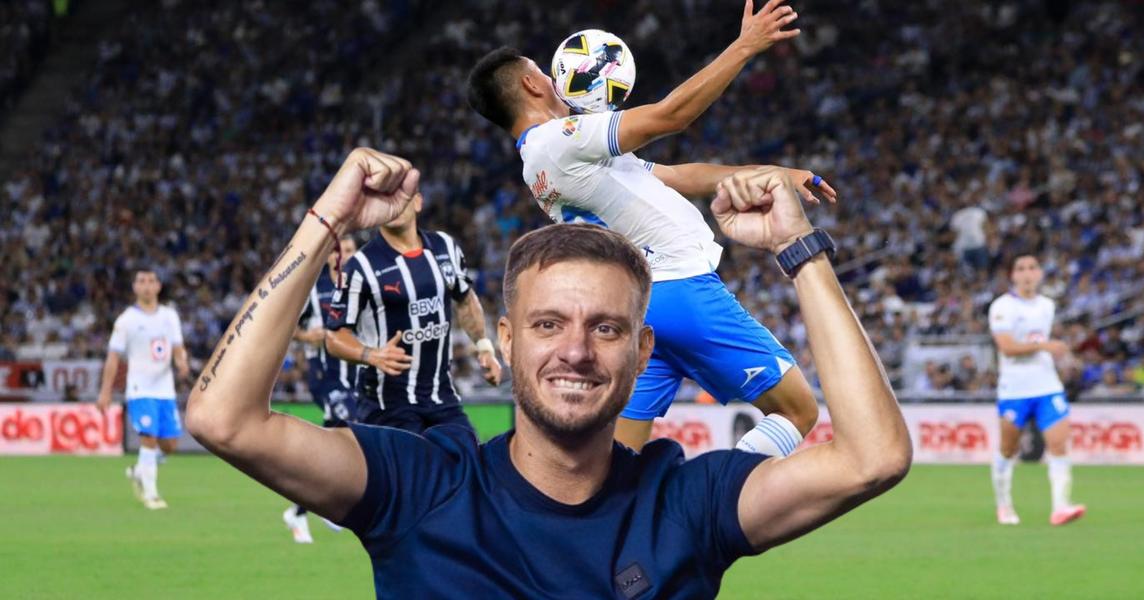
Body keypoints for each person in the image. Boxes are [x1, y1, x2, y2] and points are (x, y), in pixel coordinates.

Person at [185, 150, 911, 598]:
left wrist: (799, 250)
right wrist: (328, 223)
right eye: (547, 324)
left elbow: (872, 458)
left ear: (642, 351)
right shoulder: (422, 487)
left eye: (606, 327)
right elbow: (224, 419)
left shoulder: (683, 504)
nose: (575, 350)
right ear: (506, 338)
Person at [467, 0, 832, 455]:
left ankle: (603, 525)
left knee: (616, 459)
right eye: (543, 70)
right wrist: (745, 46)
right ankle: (716, 499)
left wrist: (774, 173)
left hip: (639, 308)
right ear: (529, 82)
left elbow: (677, 175)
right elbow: (669, 117)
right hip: (681, 289)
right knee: (798, 410)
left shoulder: (553, 154)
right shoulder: (558, 141)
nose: (553, 77)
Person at [324, 177, 502, 433]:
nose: (394, 206)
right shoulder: (360, 267)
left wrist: (484, 347)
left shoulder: (445, 247)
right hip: (386, 405)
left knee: (467, 462)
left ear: (417, 202)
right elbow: (333, 336)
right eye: (385, 201)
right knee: (411, 471)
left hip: (441, 399)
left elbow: (465, 298)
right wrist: (371, 355)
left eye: (401, 198)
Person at [988, 254, 1087, 526]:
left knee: (1059, 444)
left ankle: (1060, 507)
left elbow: (1041, 342)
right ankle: (1004, 505)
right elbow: (1006, 347)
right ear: (1012, 275)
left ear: (1041, 273)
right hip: (1014, 389)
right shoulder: (1002, 307)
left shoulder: (1047, 305)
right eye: (1021, 268)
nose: (1027, 273)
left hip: (1047, 386)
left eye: (1032, 267)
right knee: (1008, 449)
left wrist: (1059, 356)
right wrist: (1045, 347)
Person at [283, 235, 359, 543]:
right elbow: (287, 325)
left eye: (352, 250)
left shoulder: (362, 287)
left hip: (352, 373)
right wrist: (305, 337)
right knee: (351, 426)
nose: (346, 256)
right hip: (323, 374)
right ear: (330, 256)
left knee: (337, 441)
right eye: (341, 251)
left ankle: (301, 510)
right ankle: (319, 507)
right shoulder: (316, 291)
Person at [97, 268, 189, 510]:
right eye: (141, 281)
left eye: (151, 281)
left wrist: (182, 363)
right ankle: (151, 494)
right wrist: (105, 391)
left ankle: (140, 469)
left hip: (165, 389)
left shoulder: (170, 316)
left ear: (158, 286)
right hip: (140, 389)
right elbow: (113, 358)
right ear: (135, 287)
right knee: (148, 438)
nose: (146, 286)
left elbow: (178, 348)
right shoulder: (127, 320)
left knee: (169, 446)